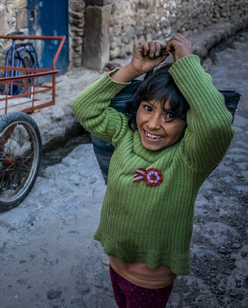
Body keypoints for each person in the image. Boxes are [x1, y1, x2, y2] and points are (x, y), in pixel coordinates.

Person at [72, 34, 234, 307]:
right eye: (148, 108)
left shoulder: (190, 158)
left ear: (189, 123)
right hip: (116, 260)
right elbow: (84, 108)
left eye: (171, 116)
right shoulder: (125, 134)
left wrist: (187, 64)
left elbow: (217, 125)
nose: (154, 123)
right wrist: (133, 70)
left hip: (151, 275)